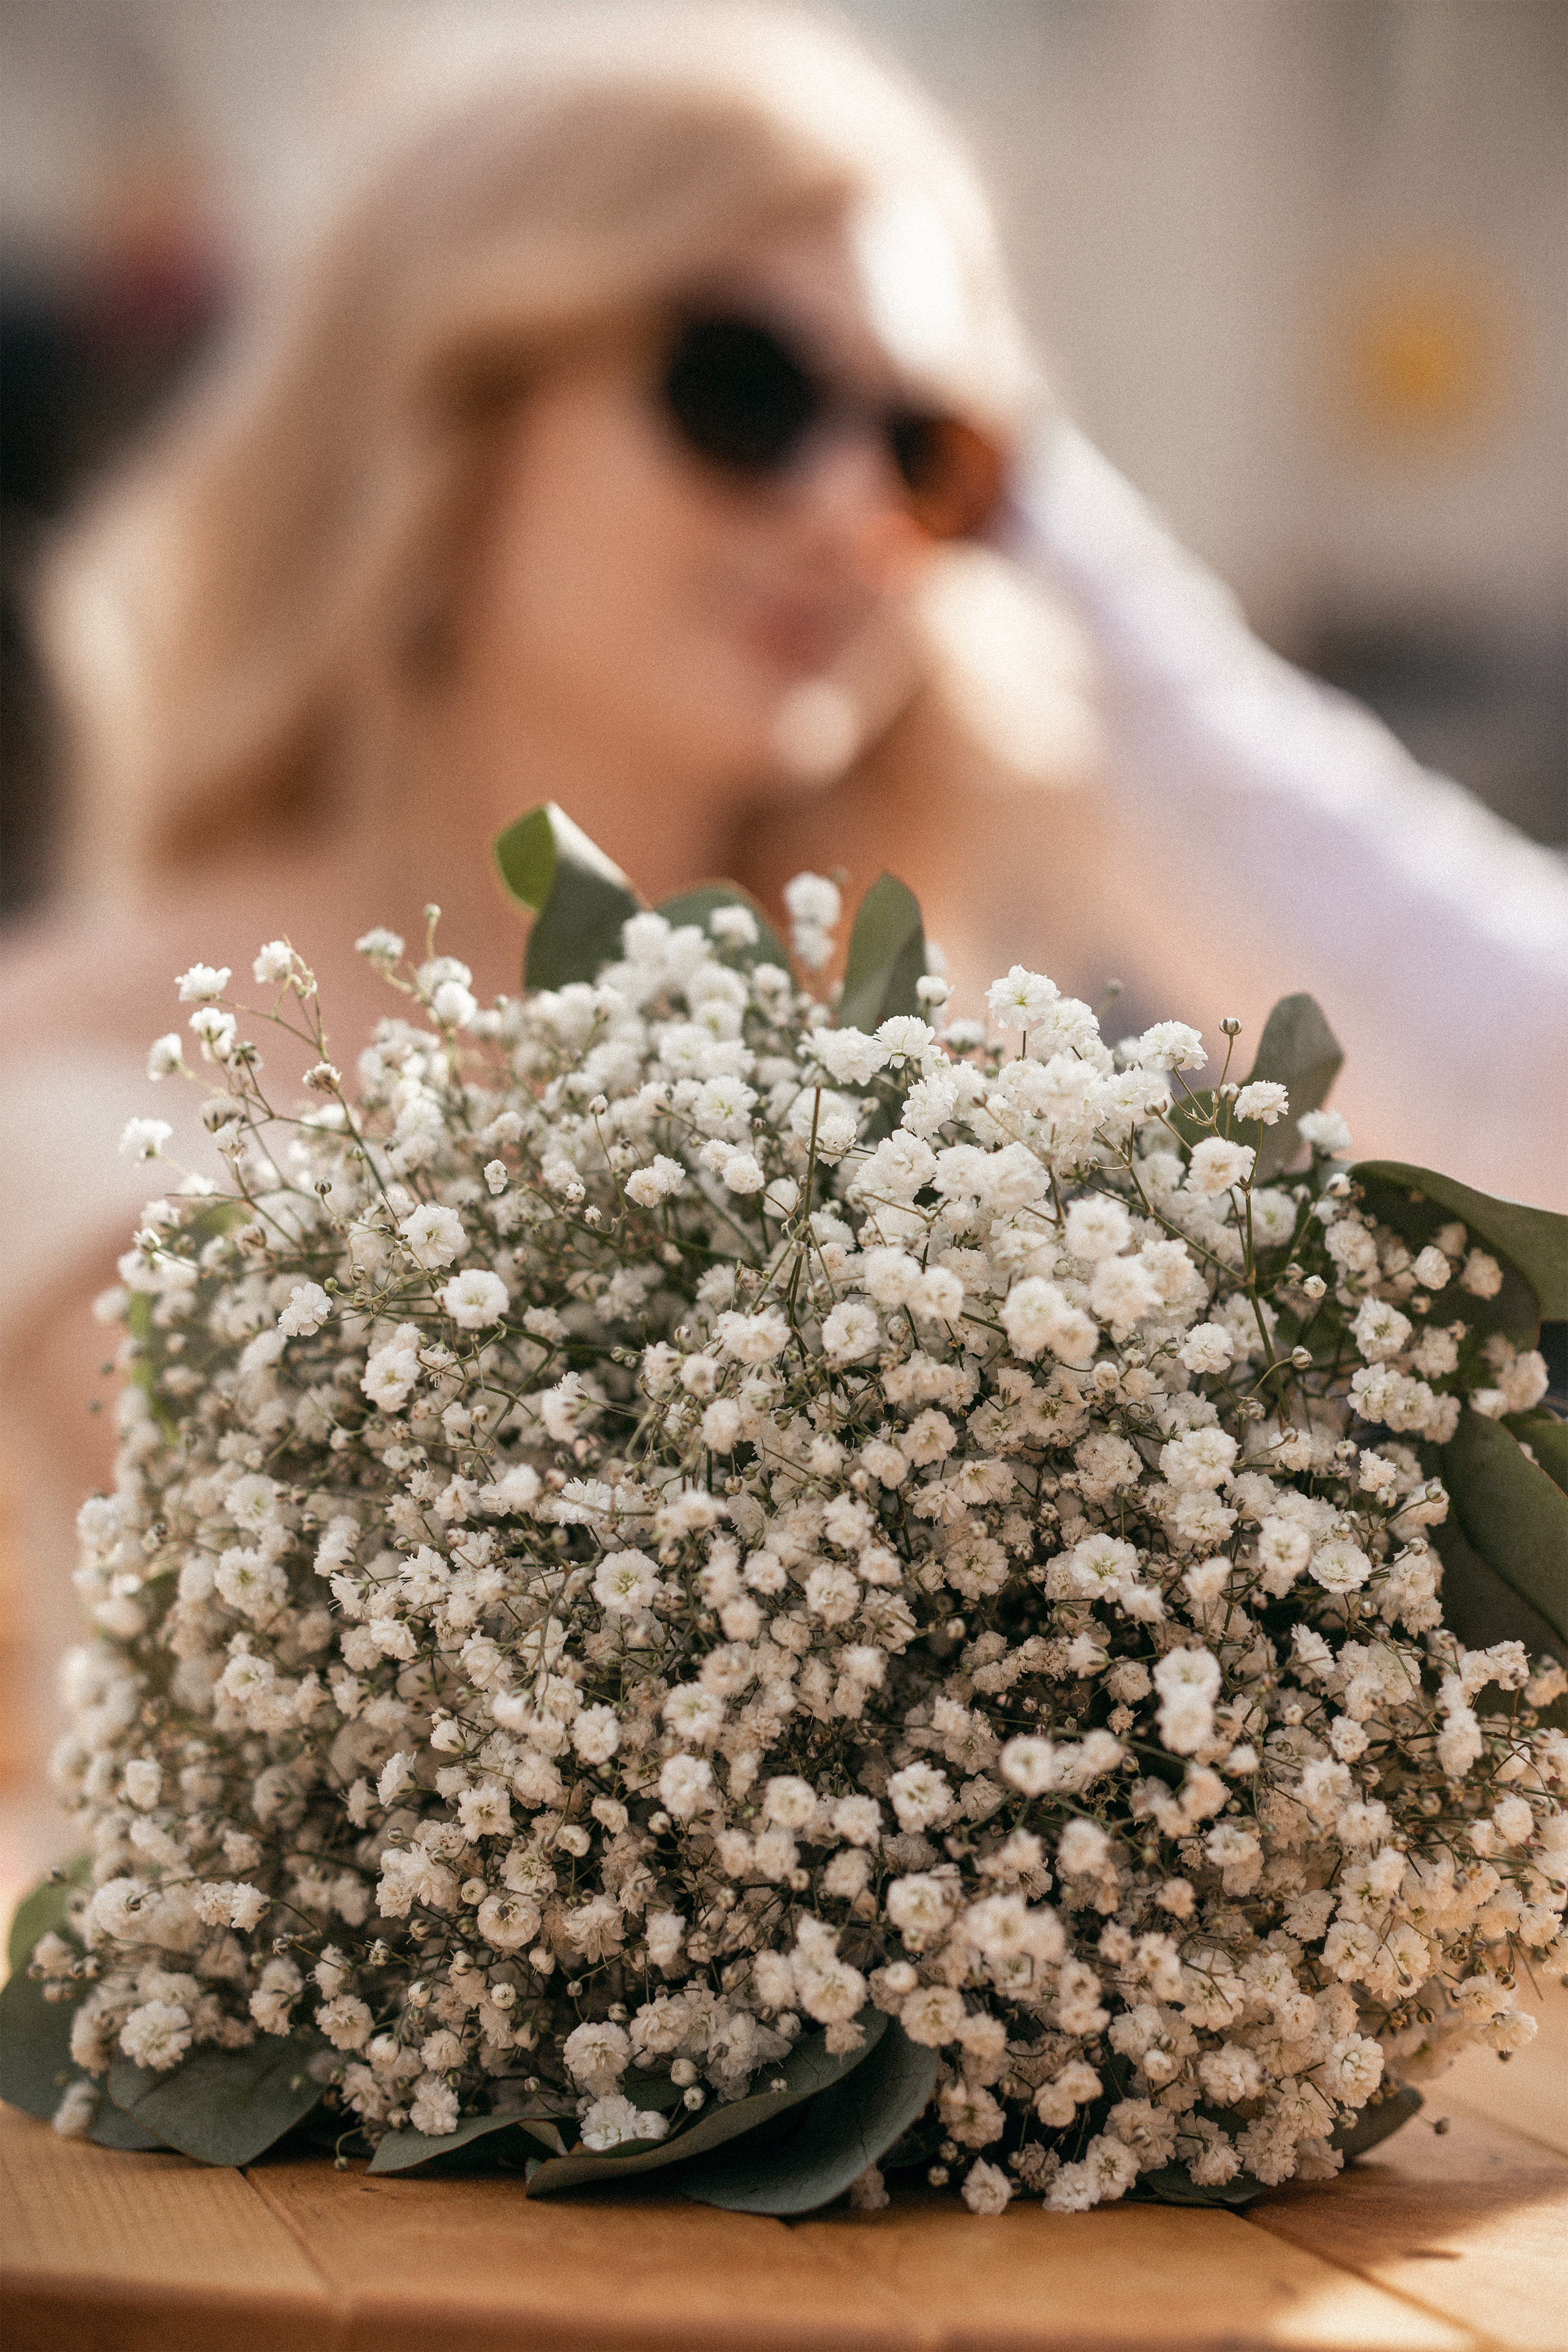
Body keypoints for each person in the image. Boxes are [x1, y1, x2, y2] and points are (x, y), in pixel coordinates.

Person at [1, 1, 1564, 1868]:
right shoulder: (89, 1067)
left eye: (934, 450)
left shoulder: (992, 1116)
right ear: (439, 406)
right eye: (742, 390)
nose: (847, 512)